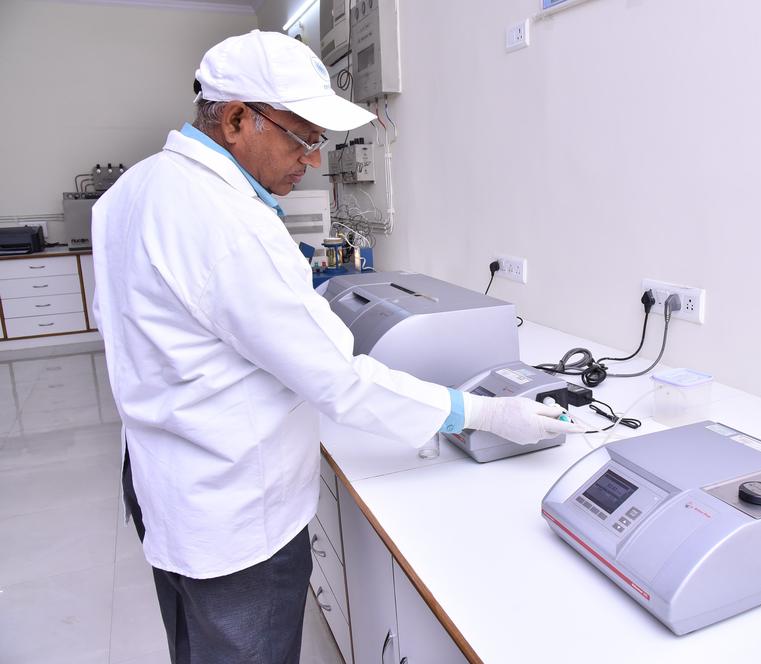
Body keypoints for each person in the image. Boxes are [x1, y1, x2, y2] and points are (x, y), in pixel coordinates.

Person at [91, 30, 581, 664]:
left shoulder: (132, 192)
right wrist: (484, 412)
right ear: (237, 120)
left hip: (163, 481)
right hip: (233, 511)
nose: (315, 160)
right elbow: (340, 380)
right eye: (302, 138)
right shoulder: (231, 224)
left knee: (194, 645)